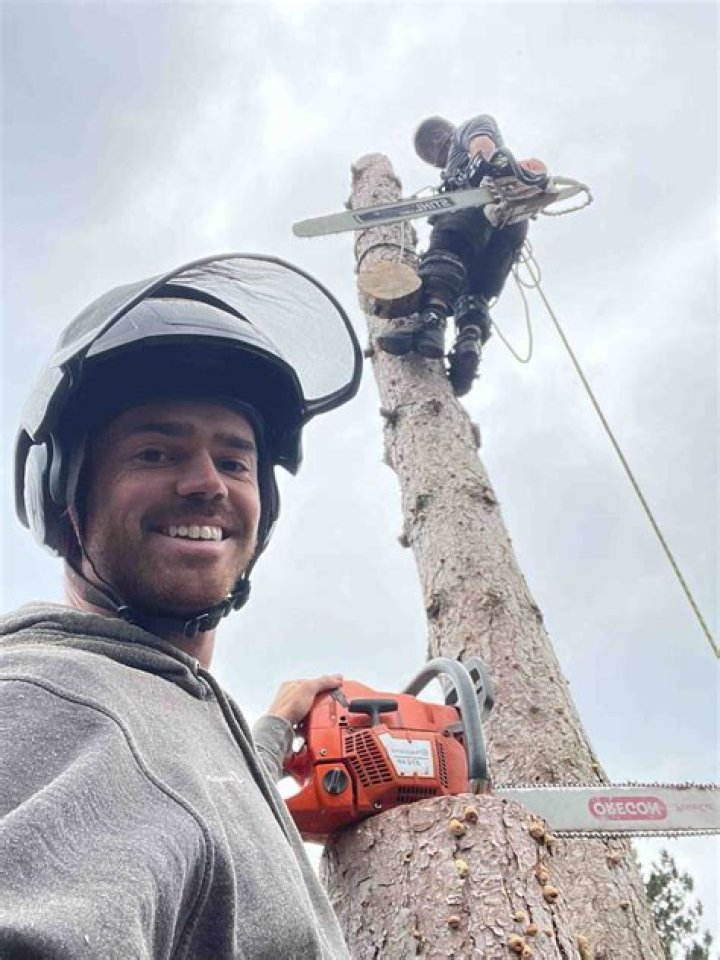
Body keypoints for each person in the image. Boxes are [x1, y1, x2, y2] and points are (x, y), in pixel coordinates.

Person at [0, 253, 363, 959]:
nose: (208, 484)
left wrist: (273, 731)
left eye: (234, 462)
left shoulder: (161, 715)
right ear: (64, 498)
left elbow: (177, 789)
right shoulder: (61, 701)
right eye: (155, 453)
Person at [377, 114, 547, 397]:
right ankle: (470, 340)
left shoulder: (466, 133)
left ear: (436, 139)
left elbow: (482, 139)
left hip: (476, 202)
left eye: (429, 153)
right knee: (473, 291)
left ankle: (431, 323)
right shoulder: (457, 162)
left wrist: (484, 163)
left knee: (446, 253)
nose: (435, 161)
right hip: (510, 231)